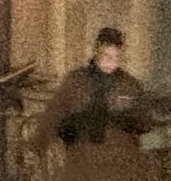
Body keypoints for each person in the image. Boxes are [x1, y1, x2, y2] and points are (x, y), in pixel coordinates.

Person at [37, 27, 157, 179]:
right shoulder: (76, 81)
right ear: (97, 52)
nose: (111, 62)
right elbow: (53, 116)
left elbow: (146, 122)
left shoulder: (129, 85)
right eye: (106, 55)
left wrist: (127, 115)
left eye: (116, 56)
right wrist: (40, 145)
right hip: (82, 161)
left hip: (120, 163)